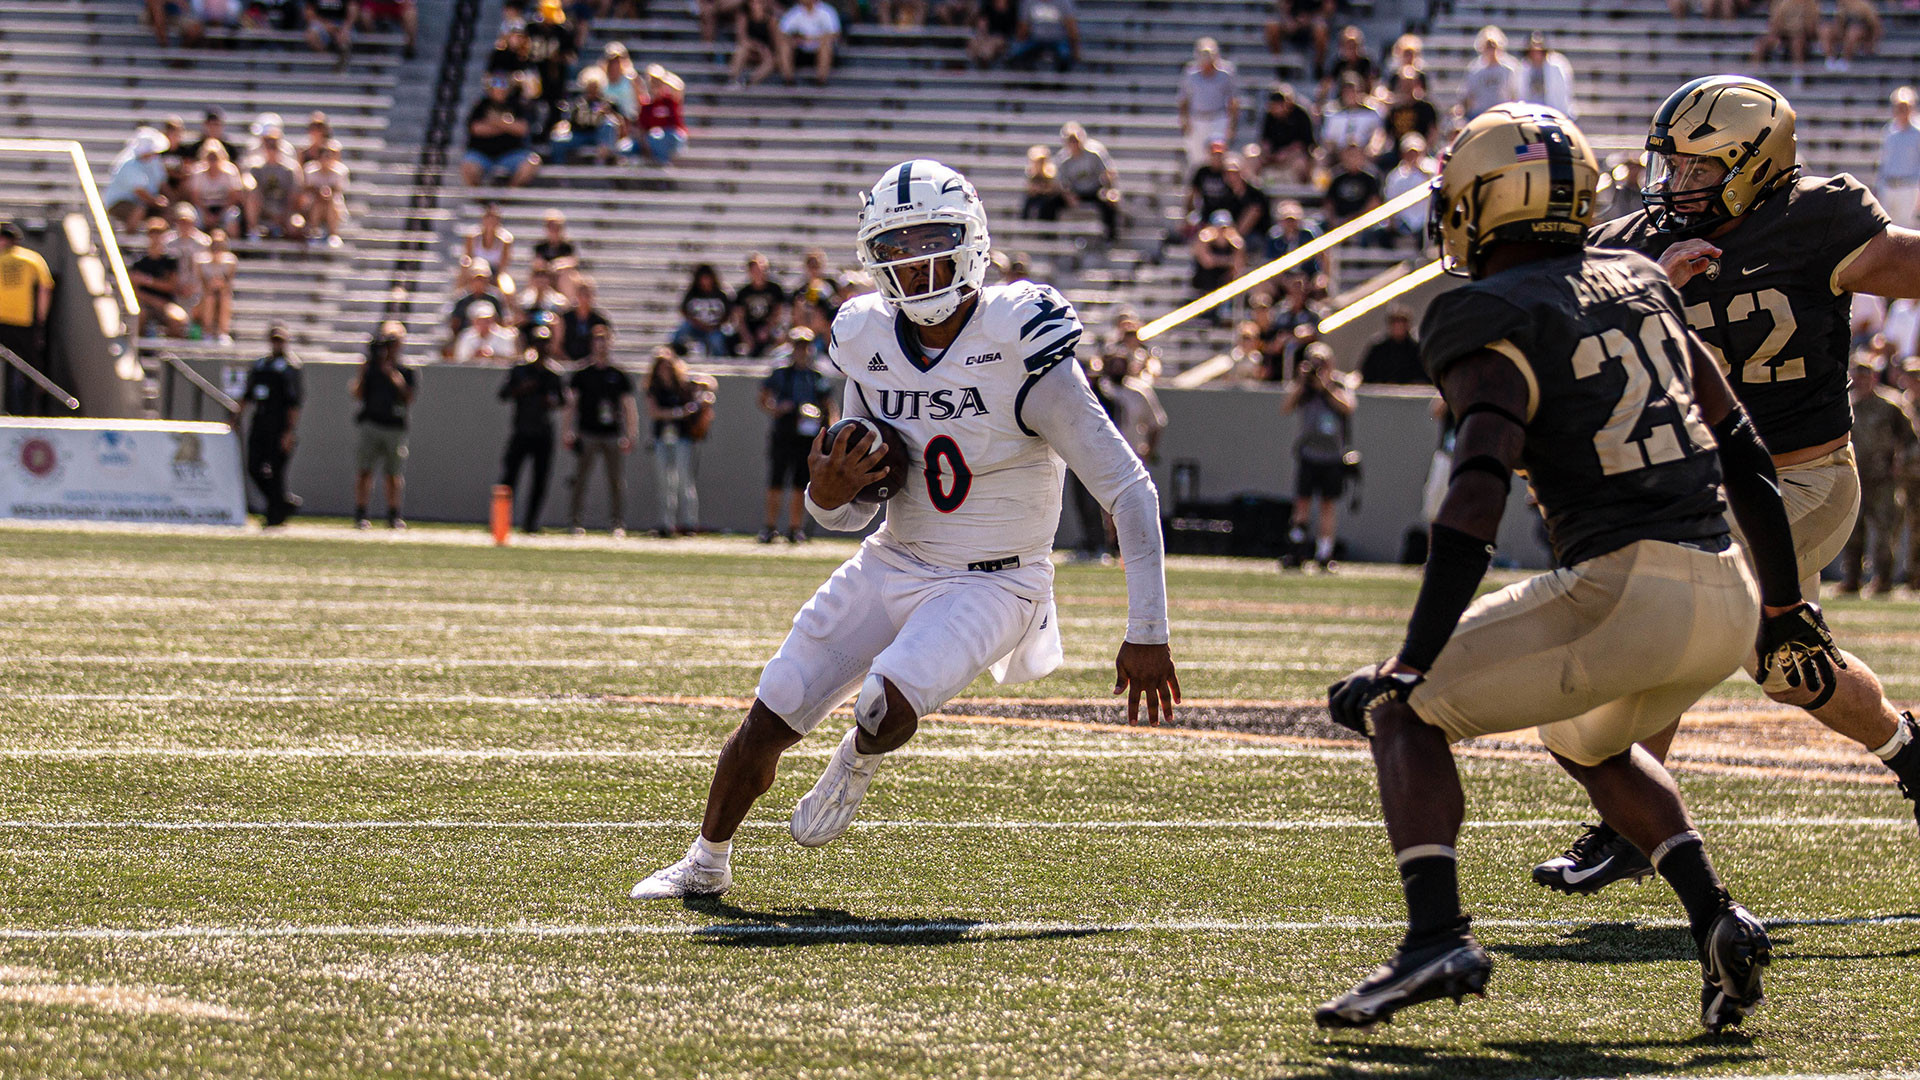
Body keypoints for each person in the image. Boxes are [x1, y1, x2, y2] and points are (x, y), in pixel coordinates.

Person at [1319, 104, 1823, 1034]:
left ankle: (1434, 936)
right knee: (1587, 742)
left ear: (1485, 204)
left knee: (1403, 714)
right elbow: (1746, 452)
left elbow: (1474, 497)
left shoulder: (1482, 310)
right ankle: (1717, 919)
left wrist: (1411, 658)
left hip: (1622, 585)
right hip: (1724, 589)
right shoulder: (1637, 276)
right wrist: (1786, 606)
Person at [631, 159, 1177, 901]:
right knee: (773, 707)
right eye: (897, 247)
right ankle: (704, 861)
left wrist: (1148, 628)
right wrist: (825, 494)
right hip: (893, 556)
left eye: (932, 242)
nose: (917, 265)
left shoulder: (1020, 337)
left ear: (972, 240)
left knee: (883, 701)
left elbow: (1128, 490)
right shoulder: (865, 339)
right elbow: (848, 507)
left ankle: (856, 760)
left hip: (998, 578)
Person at [1544, 74, 1920, 889]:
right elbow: (1560, 340)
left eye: (1696, 171)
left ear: (1753, 164)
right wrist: (1647, 288)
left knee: (1682, 609)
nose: (1675, 187)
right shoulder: (1638, 241)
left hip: (1807, 480)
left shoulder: (1817, 219)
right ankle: (1910, 751)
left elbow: (1908, 263)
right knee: (1790, 672)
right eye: (1669, 169)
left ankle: (1629, 822)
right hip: (1708, 487)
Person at [1840, 356, 1918, 593]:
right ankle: (1851, 580)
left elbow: (1909, 438)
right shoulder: (1845, 404)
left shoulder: (1889, 405)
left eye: (1866, 376)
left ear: (1874, 377)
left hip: (1882, 477)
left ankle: (1882, 580)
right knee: (1852, 532)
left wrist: (1901, 462)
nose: (1862, 381)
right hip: (1854, 476)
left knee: (1884, 531)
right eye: (1858, 376)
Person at [757, 325, 835, 543]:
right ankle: (770, 526)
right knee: (777, 480)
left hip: (808, 434)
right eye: (798, 346)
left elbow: (828, 405)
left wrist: (829, 430)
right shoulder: (781, 373)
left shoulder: (817, 375)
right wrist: (778, 409)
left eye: (805, 346)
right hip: (785, 429)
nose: (802, 351)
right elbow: (763, 398)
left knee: (801, 483)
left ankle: (794, 527)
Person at [1280, 343, 1352, 570]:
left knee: (1327, 505)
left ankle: (1324, 553)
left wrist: (1325, 386)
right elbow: (1286, 407)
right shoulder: (1304, 388)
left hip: (1331, 455)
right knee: (1302, 503)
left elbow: (1347, 407)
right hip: (1308, 453)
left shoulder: (1337, 383)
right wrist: (1303, 382)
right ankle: (1297, 550)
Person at [563, 325, 638, 537]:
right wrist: (568, 430)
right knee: (580, 479)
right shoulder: (582, 373)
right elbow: (572, 405)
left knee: (615, 480)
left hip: (612, 433)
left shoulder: (619, 374)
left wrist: (631, 433)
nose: (601, 344)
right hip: (587, 432)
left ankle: (617, 522)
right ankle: (575, 520)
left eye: (605, 340)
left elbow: (628, 406)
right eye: (597, 340)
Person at [498, 333, 568, 533]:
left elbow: (563, 401)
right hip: (521, 429)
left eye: (545, 343)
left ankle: (531, 523)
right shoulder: (521, 370)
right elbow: (503, 394)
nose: (542, 348)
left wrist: (551, 402)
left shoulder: (553, 373)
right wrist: (522, 388)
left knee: (540, 480)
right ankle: (501, 520)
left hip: (543, 432)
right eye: (539, 343)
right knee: (509, 477)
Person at [350, 322, 416, 530]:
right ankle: (361, 513)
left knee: (393, 474)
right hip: (371, 422)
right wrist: (364, 370)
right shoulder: (370, 367)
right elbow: (357, 394)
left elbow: (409, 396)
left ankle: (393, 514)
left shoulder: (406, 369)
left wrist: (391, 374)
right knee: (364, 471)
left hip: (395, 426)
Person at [241, 324, 303, 528]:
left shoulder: (290, 368)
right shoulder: (260, 365)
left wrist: (289, 431)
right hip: (260, 422)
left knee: (276, 471)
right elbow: (248, 394)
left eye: (280, 340)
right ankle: (282, 502)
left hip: (279, 426)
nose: (277, 344)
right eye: (274, 340)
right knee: (254, 467)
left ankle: (275, 514)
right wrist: (235, 417)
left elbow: (294, 403)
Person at [647, 346, 710, 537]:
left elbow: (710, 385)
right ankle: (667, 524)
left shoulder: (684, 386)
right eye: (661, 367)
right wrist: (678, 413)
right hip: (662, 438)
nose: (664, 370)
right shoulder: (655, 389)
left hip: (683, 438)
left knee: (685, 480)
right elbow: (654, 412)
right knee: (665, 482)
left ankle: (690, 523)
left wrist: (700, 400)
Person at [0, 224, 54, 416]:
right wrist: (40, 319)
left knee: (21, 368)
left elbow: (44, 288)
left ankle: (19, 409)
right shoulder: (32, 258)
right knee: (29, 367)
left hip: (7, 322)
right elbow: (45, 290)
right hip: (24, 323)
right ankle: (29, 410)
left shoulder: (28, 259)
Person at [462, 77, 541, 187]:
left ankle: (509, 194)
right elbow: (476, 129)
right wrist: (508, 125)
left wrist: (494, 122)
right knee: (467, 167)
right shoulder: (481, 105)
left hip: (511, 153)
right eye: (496, 88)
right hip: (482, 154)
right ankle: (480, 198)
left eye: (503, 88)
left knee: (532, 162)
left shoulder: (517, 105)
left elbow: (522, 129)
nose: (500, 91)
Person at [1177, 39, 1239, 168]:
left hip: (1218, 118)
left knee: (1218, 155)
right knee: (1196, 158)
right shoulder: (1190, 73)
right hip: (1197, 119)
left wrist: (1231, 125)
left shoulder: (1226, 73)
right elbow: (1183, 99)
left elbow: (1233, 100)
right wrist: (1185, 120)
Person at [103, 128, 171, 231]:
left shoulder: (154, 162)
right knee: (139, 210)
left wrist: (169, 201)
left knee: (169, 211)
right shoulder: (128, 165)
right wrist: (156, 201)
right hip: (118, 203)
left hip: (144, 201)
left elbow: (161, 182)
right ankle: (129, 238)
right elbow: (140, 192)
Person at [130, 219, 189, 338]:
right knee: (138, 315)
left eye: (160, 233)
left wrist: (147, 280)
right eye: (153, 233)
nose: (156, 237)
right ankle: (140, 352)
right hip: (145, 304)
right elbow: (133, 290)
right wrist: (154, 301)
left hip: (166, 303)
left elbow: (172, 286)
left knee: (178, 319)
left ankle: (172, 352)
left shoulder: (170, 260)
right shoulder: (138, 262)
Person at [1878, 87, 1919, 230]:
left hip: (1908, 187)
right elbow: (1884, 160)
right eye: (1898, 107)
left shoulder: (1917, 132)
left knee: (1905, 230)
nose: (1901, 111)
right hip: (1889, 185)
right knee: (1886, 228)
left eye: (1904, 107)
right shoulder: (1889, 131)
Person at [732, 253, 788, 358]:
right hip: (750, 327)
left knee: (781, 335)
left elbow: (779, 312)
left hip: (770, 326)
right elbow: (739, 318)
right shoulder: (743, 292)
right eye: (755, 269)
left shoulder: (775, 289)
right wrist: (746, 336)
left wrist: (767, 328)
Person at [632, 65, 688, 166]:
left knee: (656, 135)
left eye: (658, 82)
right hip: (654, 141)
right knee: (628, 147)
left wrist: (664, 77)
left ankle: (662, 164)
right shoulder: (647, 105)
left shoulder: (670, 100)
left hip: (672, 137)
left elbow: (680, 88)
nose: (655, 85)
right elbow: (643, 128)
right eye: (653, 82)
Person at [674, 264, 734, 357]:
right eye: (703, 278)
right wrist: (698, 324)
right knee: (682, 329)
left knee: (717, 340)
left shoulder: (721, 294)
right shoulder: (692, 293)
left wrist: (715, 326)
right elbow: (684, 311)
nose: (705, 281)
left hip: (715, 329)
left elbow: (728, 314)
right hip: (696, 328)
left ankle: (719, 359)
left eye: (708, 278)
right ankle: (676, 351)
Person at [1459, 26, 1517, 121]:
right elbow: (1469, 95)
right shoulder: (1475, 70)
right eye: (1488, 46)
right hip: (1481, 113)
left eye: (1493, 46)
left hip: (1502, 113)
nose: (1491, 50)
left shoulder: (1508, 70)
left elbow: (1514, 94)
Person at [777, 0, 839, 86]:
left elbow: (835, 33)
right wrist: (794, 39)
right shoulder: (794, 12)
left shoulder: (827, 11)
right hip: (801, 51)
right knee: (784, 45)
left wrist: (814, 38)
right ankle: (788, 80)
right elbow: (782, 31)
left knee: (826, 44)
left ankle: (821, 80)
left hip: (819, 48)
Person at [1005, 0, 1078, 73]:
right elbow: (1023, 28)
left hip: (1058, 39)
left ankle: (1061, 82)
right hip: (1035, 39)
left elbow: (1071, 26)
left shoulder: (1064, 2)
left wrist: (1075, 49)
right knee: (1015, 54)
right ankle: (1031, 79)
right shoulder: (1028, 2)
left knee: (1065, 55)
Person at [1514, 32, 1575, 119]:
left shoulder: (1556, 66)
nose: (1536, 53)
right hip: (1530, 114)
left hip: (1552, 112)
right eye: (1533, 50)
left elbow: (1563, 92)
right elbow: (1520, 93)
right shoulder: (1523, 68)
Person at [1359, 305, 1423, 384]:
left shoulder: (1417, 349)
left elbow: (1425, 375)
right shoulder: (1378, 349)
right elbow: (1367, 375)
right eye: (1395, 322)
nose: (1399, 326)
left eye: (1402, 322)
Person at [729, 0, 781, 88]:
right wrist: (758, 47)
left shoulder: (771, 20)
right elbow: (742, 38)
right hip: (751, 50)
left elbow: (775, 43)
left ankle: (749, 81)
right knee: (742, 49)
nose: (757, 4)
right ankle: (732, 78)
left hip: (766, 53)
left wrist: (766, 51)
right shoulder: (744, 17)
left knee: (772, 61)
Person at [453, 301, 518, 364]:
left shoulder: (505, 336)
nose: (484, 323)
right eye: (480, 320)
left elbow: (510, 360)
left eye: (487, 320)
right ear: (473, 321)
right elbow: (459, 360)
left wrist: (493, 356)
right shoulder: (465, 337)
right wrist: (473, 356)